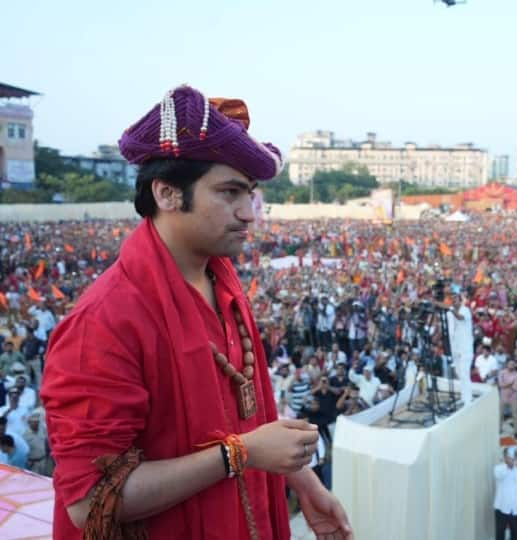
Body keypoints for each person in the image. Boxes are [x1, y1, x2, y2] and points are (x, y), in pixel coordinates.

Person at [40, 86, 352, 539]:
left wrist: (301, 481)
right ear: (167, 193)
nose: (249, 213)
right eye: (229, 192)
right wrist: (239, 455)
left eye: (249, 193)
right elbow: (91, 502)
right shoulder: (105, 323)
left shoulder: (222, 283)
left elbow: (246, 417)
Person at [446, 292, 474, 406]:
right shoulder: (449, 313)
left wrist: (451, 310)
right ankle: (464, 397)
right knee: (459, 373)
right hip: (455, 347)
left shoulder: (465, 310)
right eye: (452, 299)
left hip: (466, 347)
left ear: (460, 300)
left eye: (456, 299)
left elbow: (460, 317)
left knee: (464, 373)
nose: (454, 301)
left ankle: (468, 399)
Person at [494, 447, 517, 540]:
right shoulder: (499, 468)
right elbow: (499, 476)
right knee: (500, 535)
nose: (513, 459)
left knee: (516, 535)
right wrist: (510, 465)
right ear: (505, 457)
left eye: (514, 457)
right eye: (510, 457)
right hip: (501, 508)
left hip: (516, 509)